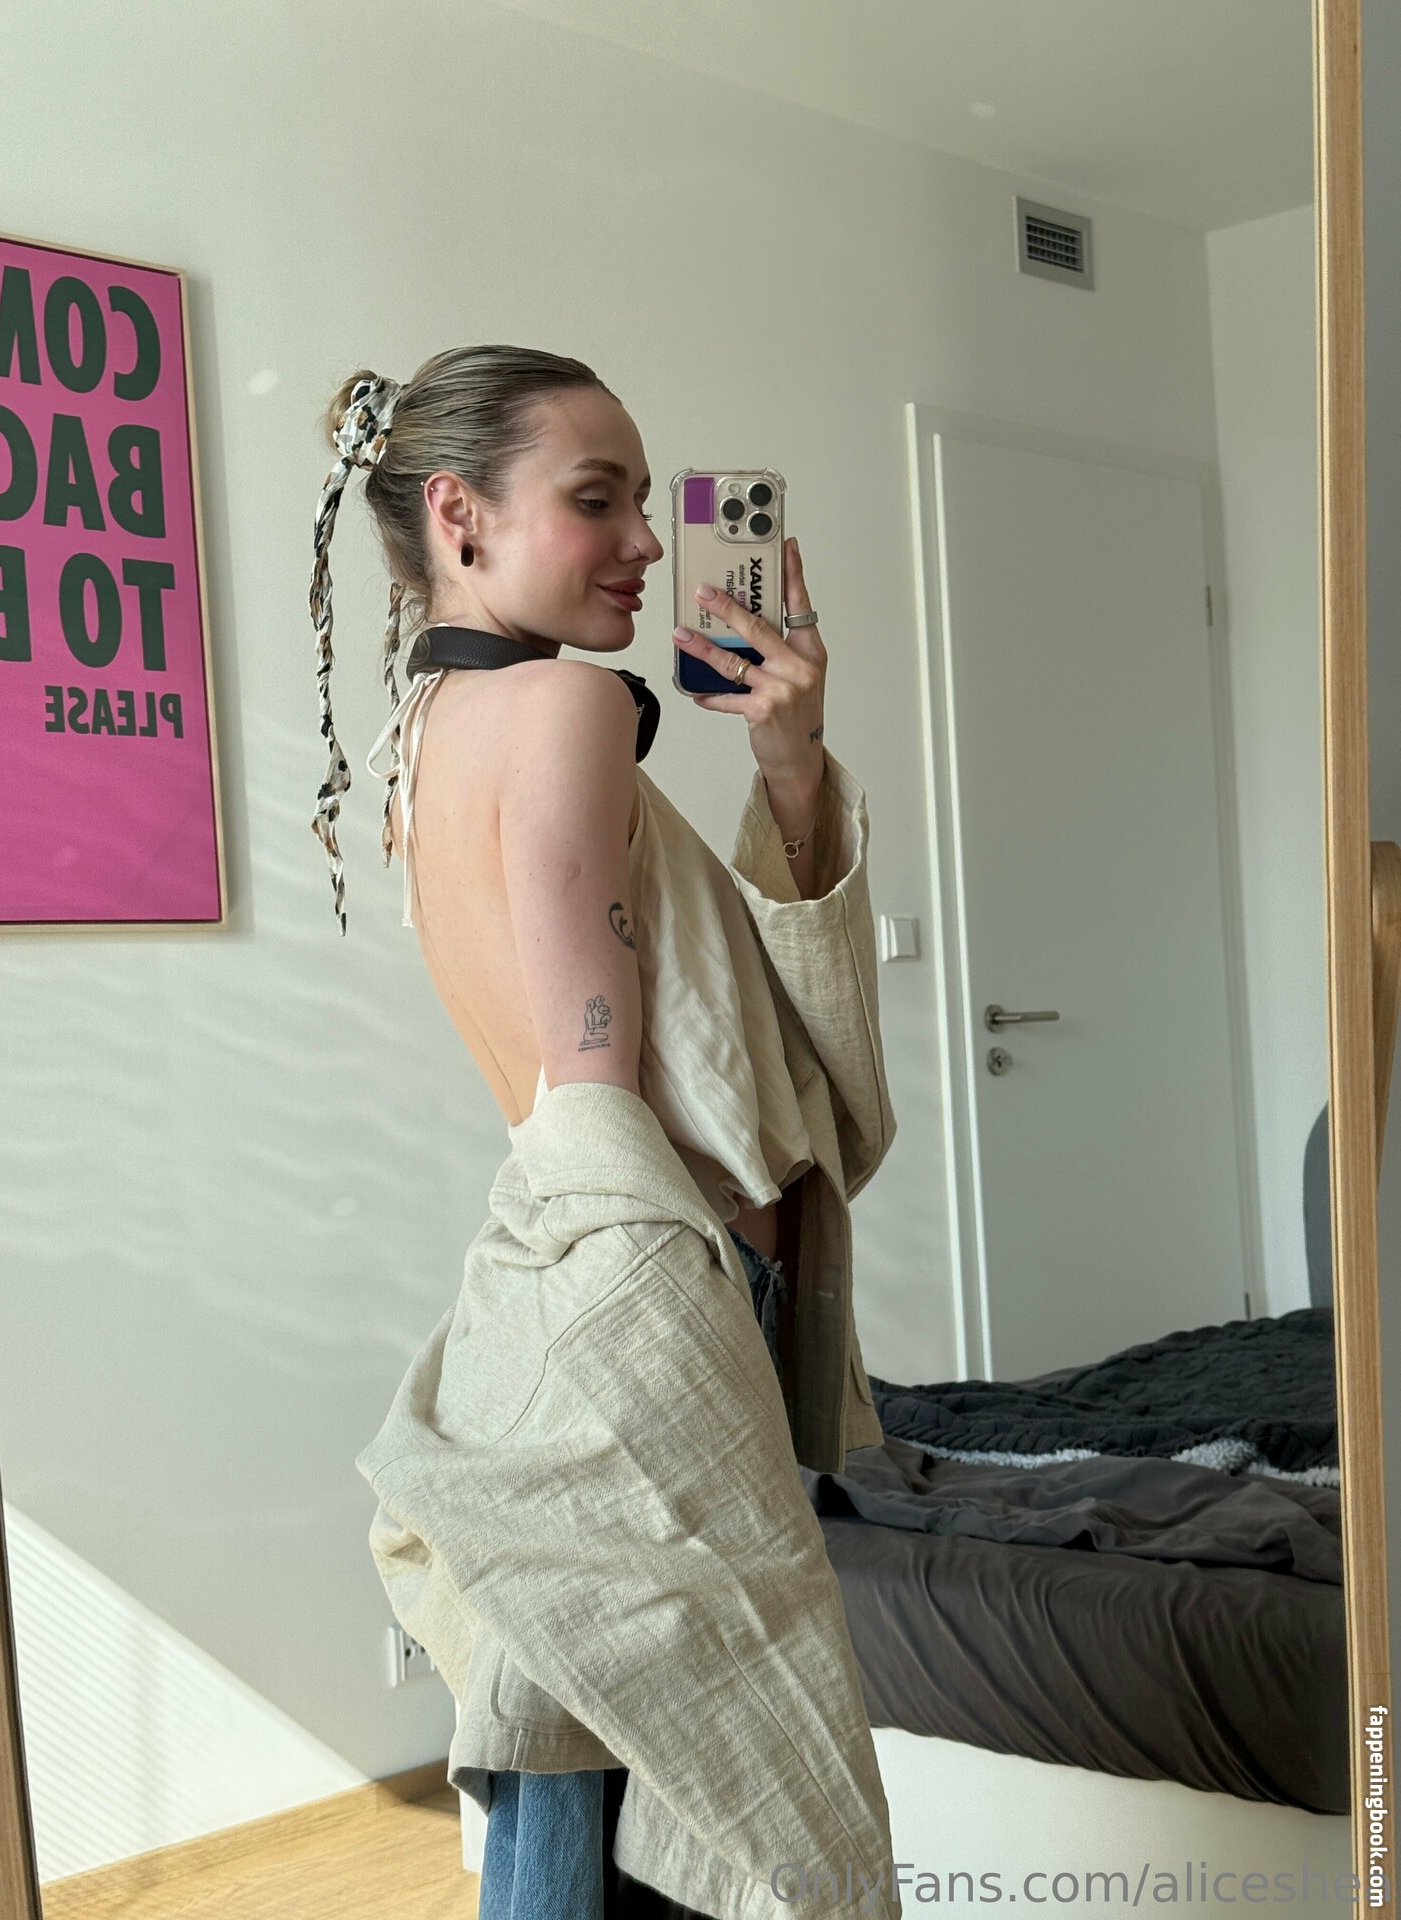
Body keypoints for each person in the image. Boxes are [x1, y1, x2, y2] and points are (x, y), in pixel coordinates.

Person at [309, 347, 899, 1920]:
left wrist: (786, 761)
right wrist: (679, 1325)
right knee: (752, 1784)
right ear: (460, 517)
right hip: (654, 1285)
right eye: (598, 499)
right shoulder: (566, 704)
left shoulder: (428, 726)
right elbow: (596, 1065)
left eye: (645, 498)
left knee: (573, 1748)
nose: (644, 540)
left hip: (578, 1277)